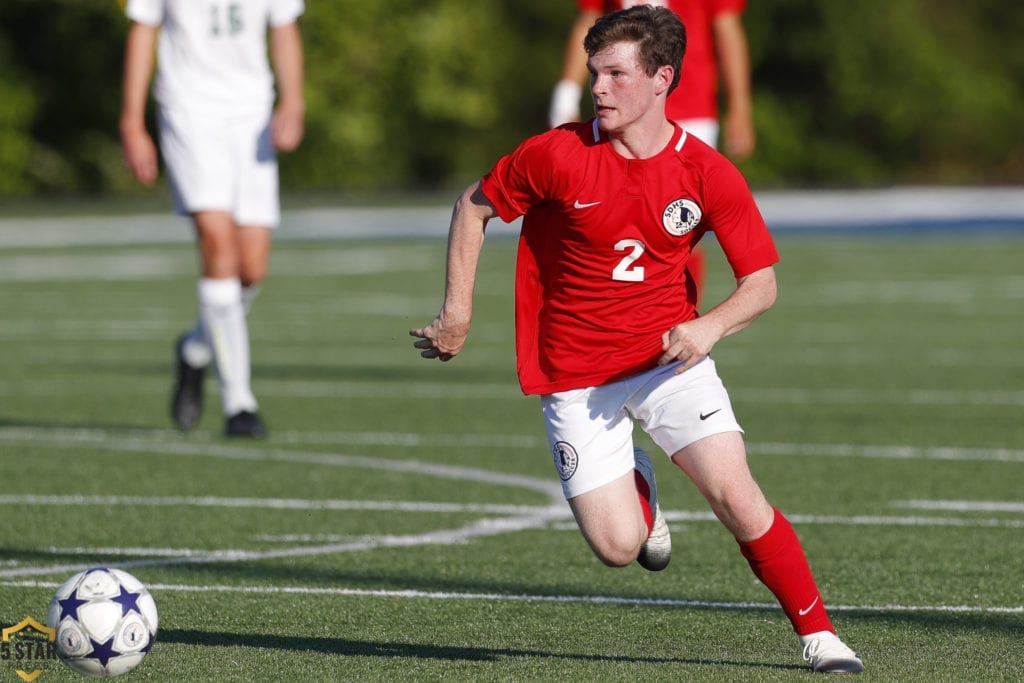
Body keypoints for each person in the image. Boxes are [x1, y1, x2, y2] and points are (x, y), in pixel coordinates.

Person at [412, 6, 862, 674]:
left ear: (661, 79)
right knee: (620, 546)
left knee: (736, 495)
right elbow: (472, 207)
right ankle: (640, 488)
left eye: (616, 73)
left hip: (666, 362)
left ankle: (820, 634)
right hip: (574, 375)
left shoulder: (706, 172)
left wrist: (708, 326)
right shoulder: (557, 154)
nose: (598, 87)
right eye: (595, 72)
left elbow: (761, 283)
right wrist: (456, 313)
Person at [119, 0, 306, 437]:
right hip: (188, 111)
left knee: (251, 270)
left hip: (252, 113)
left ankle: (196, 348)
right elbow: (143, 29)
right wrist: (131, 122)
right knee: (217, 244)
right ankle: (239, 403)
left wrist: (292, 102)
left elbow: (284, 28)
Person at [550, 0, 757, 302]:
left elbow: (727, 27)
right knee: (614, 218)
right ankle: (616, 311)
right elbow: (589, 21)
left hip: (690, 108)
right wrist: (565, 95)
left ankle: (679, 317)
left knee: (681, 227)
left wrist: (740, 107)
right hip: (624, 108)